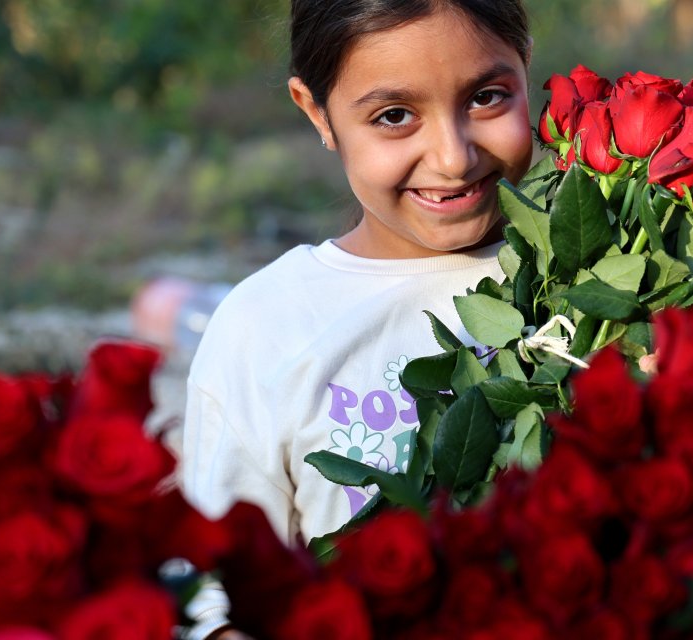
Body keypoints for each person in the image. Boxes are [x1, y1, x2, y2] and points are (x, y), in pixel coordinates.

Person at [179, 3, 533, 632]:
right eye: (394, 116)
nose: (453, 157)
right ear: (318, 112)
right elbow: (214, 596)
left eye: (486, 97)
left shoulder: (605, 270)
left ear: (525, 67)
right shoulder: (268, 325)